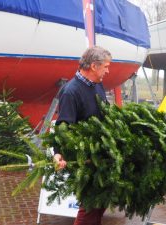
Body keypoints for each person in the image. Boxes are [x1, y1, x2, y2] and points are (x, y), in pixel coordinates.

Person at [53, 46, 112, 225]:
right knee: (89, 207)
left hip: (101, 154)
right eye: (106, 66)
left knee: (100, 203)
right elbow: (63, 126)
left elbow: (105, 113)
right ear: (94, 66)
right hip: (85, 158)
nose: (108, 71)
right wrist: (57, 153)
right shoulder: (71, 92)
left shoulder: (97, 84)